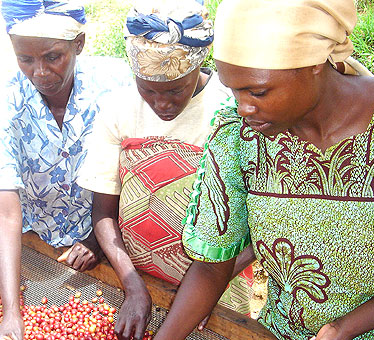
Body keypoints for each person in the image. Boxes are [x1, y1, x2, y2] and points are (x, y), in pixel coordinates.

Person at [153, 0, 374, 339]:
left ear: (313, 64)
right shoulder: (238, 137)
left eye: (257, 91)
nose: (243, 107)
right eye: (233, 90)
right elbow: (213, 269)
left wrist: (347, 327)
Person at [77, 1, 255, 339]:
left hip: (222, 287)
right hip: (139, 276)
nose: (162, 104)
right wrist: (133, 287)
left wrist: (205, 292)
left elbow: (261, 227)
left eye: (175, 90)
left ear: (198, 68)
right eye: (149, 91)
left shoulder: (234, 111)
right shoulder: (118, 110)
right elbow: (103, 214)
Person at [0, 1, 132, 339]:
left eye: (53, 57)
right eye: (26, 59)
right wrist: (11, 314)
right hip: (40, 237)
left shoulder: (117, 83)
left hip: (115, 237)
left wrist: (99, 237)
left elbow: (140, 174)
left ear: (78, 43)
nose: (40, 72)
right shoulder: (0, 104)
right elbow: (5, 212)